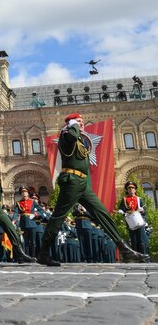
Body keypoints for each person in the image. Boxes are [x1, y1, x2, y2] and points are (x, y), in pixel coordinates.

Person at [37, 114, 149, 266]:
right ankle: (43, 253)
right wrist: (72, 125)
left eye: (82, 122)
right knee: (58, 217)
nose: (82, 124)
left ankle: (125, 250)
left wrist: (76, 126)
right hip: (71, 181)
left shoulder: (79, 140)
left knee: (102, 214)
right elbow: (72, 136)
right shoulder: (66, 136)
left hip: (82, 183)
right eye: (78, 122)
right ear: (71, 124)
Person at [117, 181, 150, 257]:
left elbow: (144, 211)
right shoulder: (124, 199)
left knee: (141, 239)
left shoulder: (139, 199)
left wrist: (142, 210)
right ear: (127, 190)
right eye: (129, 188)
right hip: (130, 221)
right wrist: (121, 211)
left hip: (139, 221)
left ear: (135, 190)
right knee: (133, 240)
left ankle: (144, 255)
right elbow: (122, 209)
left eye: (132, 188)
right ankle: (136, 256)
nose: (131, 189)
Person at [16, 187, 41, 257]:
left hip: (31, 223)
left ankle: (33, 256)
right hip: (23, 223)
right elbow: (15, 212)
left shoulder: (32, 201)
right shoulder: (18, 203)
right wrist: (13, 220)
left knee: (33, 242)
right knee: (25, 242)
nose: (24, 193)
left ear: (28, 193)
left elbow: (41, 210)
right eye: (22, 192)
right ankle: (27, 257)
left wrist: (36, 214)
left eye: (25, 192)